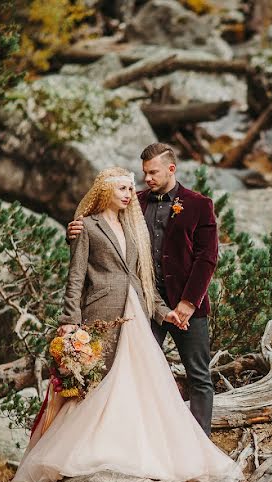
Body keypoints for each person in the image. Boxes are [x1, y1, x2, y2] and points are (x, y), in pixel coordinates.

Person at [6, 167, 239, 482]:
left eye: (131, 188)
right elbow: (76, 278)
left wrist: (163, 312)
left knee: (137, 383)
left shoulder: (133, 227)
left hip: (135, 315)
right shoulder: (87, 226)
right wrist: (69, 319)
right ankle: (82, 449)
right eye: (122, 189)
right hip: (100, 313)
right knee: (94, 384)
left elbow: (141, 279)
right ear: (105, 191)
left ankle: (137, 449)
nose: (130, 194)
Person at [68, 144, 218, 435]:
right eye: (145, 172)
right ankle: (144, 438)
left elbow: (207, 257)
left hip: (187, 305)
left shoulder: (199, 204)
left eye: (153, 172)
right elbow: (100, 228)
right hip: (144, 303)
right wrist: (72, 231)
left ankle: (201, 439)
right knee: (138, 372)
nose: (146, 178)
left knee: (199, 375)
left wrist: (188, 303)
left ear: (171, 169)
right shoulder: (133, 201)